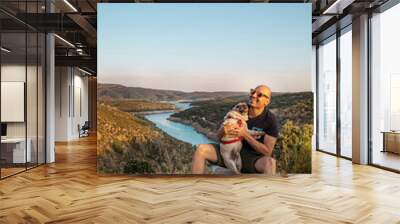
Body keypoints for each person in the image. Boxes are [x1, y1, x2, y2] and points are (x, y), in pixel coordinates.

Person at [191, 85, 279, 174]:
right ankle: (196, 185)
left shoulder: (270, 120)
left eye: (259, 95)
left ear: (266, 102)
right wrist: (223, 131)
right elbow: (217, 137)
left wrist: (245, 135)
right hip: (228, 152)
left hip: (252, 158)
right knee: (201, 149)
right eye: (253, 92)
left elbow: (267, 152)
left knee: (270, 163)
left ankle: (268, 188)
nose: (254, 95)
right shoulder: (240, 108)